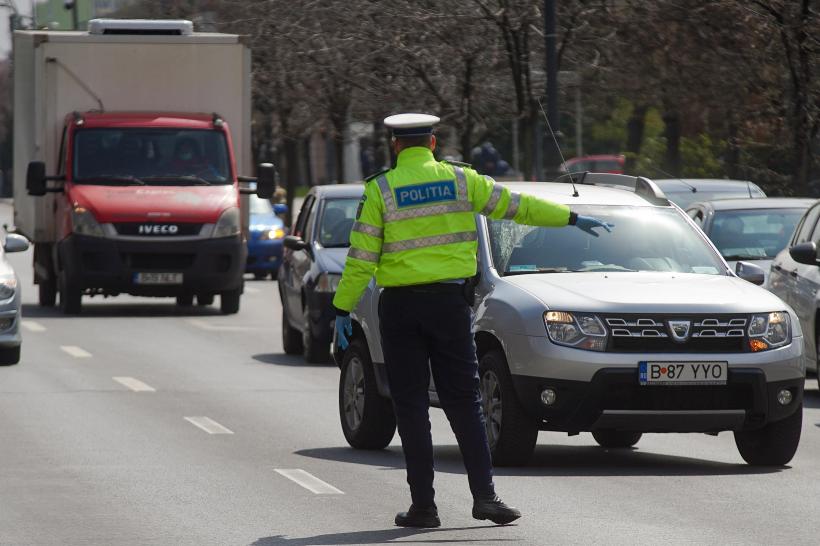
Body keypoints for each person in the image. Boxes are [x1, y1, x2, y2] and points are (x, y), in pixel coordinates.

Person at [332, 113, 612, 529]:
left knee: (410, 407)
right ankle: (486, 497)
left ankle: (424, 508)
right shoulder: (464, 181)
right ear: (432, 142)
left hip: (401, 310)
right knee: (465, 402)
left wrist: (342, 308)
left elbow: (361, 258)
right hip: (450, 306)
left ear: (395, 146)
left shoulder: (381, 189)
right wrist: (569, 218)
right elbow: (519, 207)